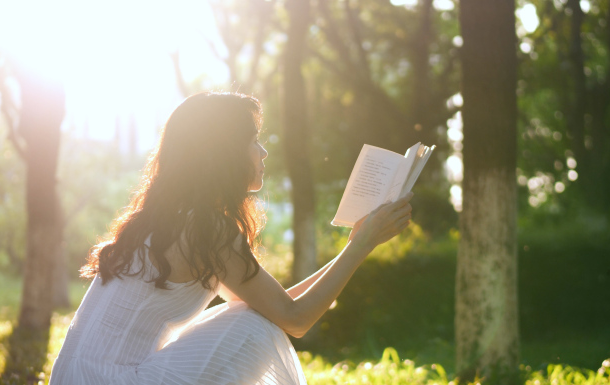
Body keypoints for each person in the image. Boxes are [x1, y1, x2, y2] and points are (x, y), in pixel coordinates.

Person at [49, 92, 414, 385]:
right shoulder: (207, 228)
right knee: (252, 326)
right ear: (222, 153)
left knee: (253, 315)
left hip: (75, 377)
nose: (263, 152)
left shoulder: (163, 218)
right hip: (112, 380)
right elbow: (296, 319)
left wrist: (356, 243)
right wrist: (362, 245)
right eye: (253, 141)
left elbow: (281, 308)